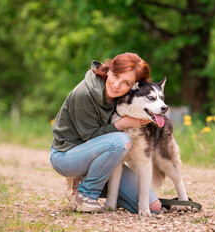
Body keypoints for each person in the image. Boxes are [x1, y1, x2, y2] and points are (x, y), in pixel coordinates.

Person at [50, 52, 162, 213]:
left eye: (126, 83)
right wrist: (124, 123)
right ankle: (86, 194)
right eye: (115, 75)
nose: (116, 85)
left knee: (153, 207)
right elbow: (90, 138)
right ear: (109, 70)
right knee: (120, 141)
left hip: (101, 157)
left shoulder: (123, 97)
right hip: (67, 156)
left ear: (134, 87)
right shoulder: (85, 93)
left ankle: (97, 185)